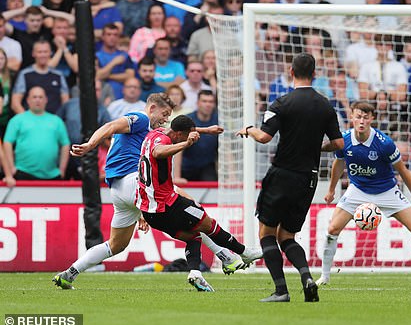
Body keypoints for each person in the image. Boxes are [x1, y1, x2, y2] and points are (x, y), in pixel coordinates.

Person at [53, 93, 249, 290]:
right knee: (189, 207)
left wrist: (205, 130)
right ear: (152, 107)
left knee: (116, 245)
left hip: (119, 191)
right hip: (133, 182)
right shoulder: (141, 118)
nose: (165, 119)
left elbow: (172, 129)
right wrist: (90, 145)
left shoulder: (151, 128)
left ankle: (70, 273)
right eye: (164, 114)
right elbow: (110, 126)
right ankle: (225, 255)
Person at [236, 53, 344, 303]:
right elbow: (338, 144)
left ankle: (281, 290)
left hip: (282, 174)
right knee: (288, 236)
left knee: (266, 233)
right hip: (309, 179)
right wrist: (315, 147)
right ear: (314, 74)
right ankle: (307, 277)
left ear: (290, 71)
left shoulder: (281, 103)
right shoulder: (325, 105)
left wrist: (248, 129)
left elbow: (264, 137)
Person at [316, 102, 411, 286]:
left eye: (366, 117)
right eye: (358, 116)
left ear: (372, 118)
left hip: (387, 190)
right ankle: (324, 276)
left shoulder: (384, 143)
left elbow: (403, 171)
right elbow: (339, 163)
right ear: (352, 117)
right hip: (358, 190)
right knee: (332, 230)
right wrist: (332, 190)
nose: (361, 121)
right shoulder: (344, 140)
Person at [137, 114, 262, 291]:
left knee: (193, 235)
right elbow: (158, 152)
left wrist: (207, 130)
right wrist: (186, 144)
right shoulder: (163, 143)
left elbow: (174, 133)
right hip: (167, 205)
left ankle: (195, 273)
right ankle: (244, 252)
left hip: (151, 213)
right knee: (207, 223)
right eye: (186, 135)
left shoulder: (155, 133)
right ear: (180, 134)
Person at [4, 86, 70, 181]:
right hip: (23, 173)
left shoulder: (57, 121)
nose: (37, 100)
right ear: (28, 100)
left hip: (52, 175)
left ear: (46, 100)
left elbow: (65, 144)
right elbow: (7, 143)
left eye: (40, 97)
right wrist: (11, 168)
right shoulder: (17, 120)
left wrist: (62, 170)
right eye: (34, 97)